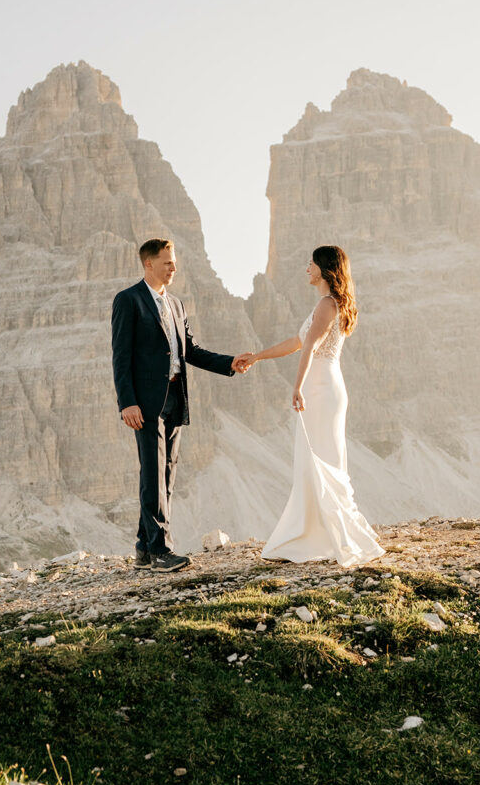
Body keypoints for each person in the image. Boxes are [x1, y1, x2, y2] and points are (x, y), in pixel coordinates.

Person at [237, 245, 385, 568]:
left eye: (311, 263)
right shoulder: (329, 305)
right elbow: (296, 342)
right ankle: (321, 536)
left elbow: (311, 347)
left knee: (322, 461)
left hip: (320, 389)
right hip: (324, 386)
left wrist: (297, 386)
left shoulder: (327, 305)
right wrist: (258, 356)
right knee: (316, 460)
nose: (306, 268)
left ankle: (330, 537)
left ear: (323, 268)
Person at [111, 239, 253, 572]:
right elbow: (121, 357)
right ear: (148, 264)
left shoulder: (176, 304)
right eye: (167, 263)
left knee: (168, 473)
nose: (173, 268)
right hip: (144, 404)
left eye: (173, 262)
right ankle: (161, 550)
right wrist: (127, 402)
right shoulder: (128, 300)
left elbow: (191, 350)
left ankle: (144, 550)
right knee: (153, 473)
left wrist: (229, 362)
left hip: (175, 397)